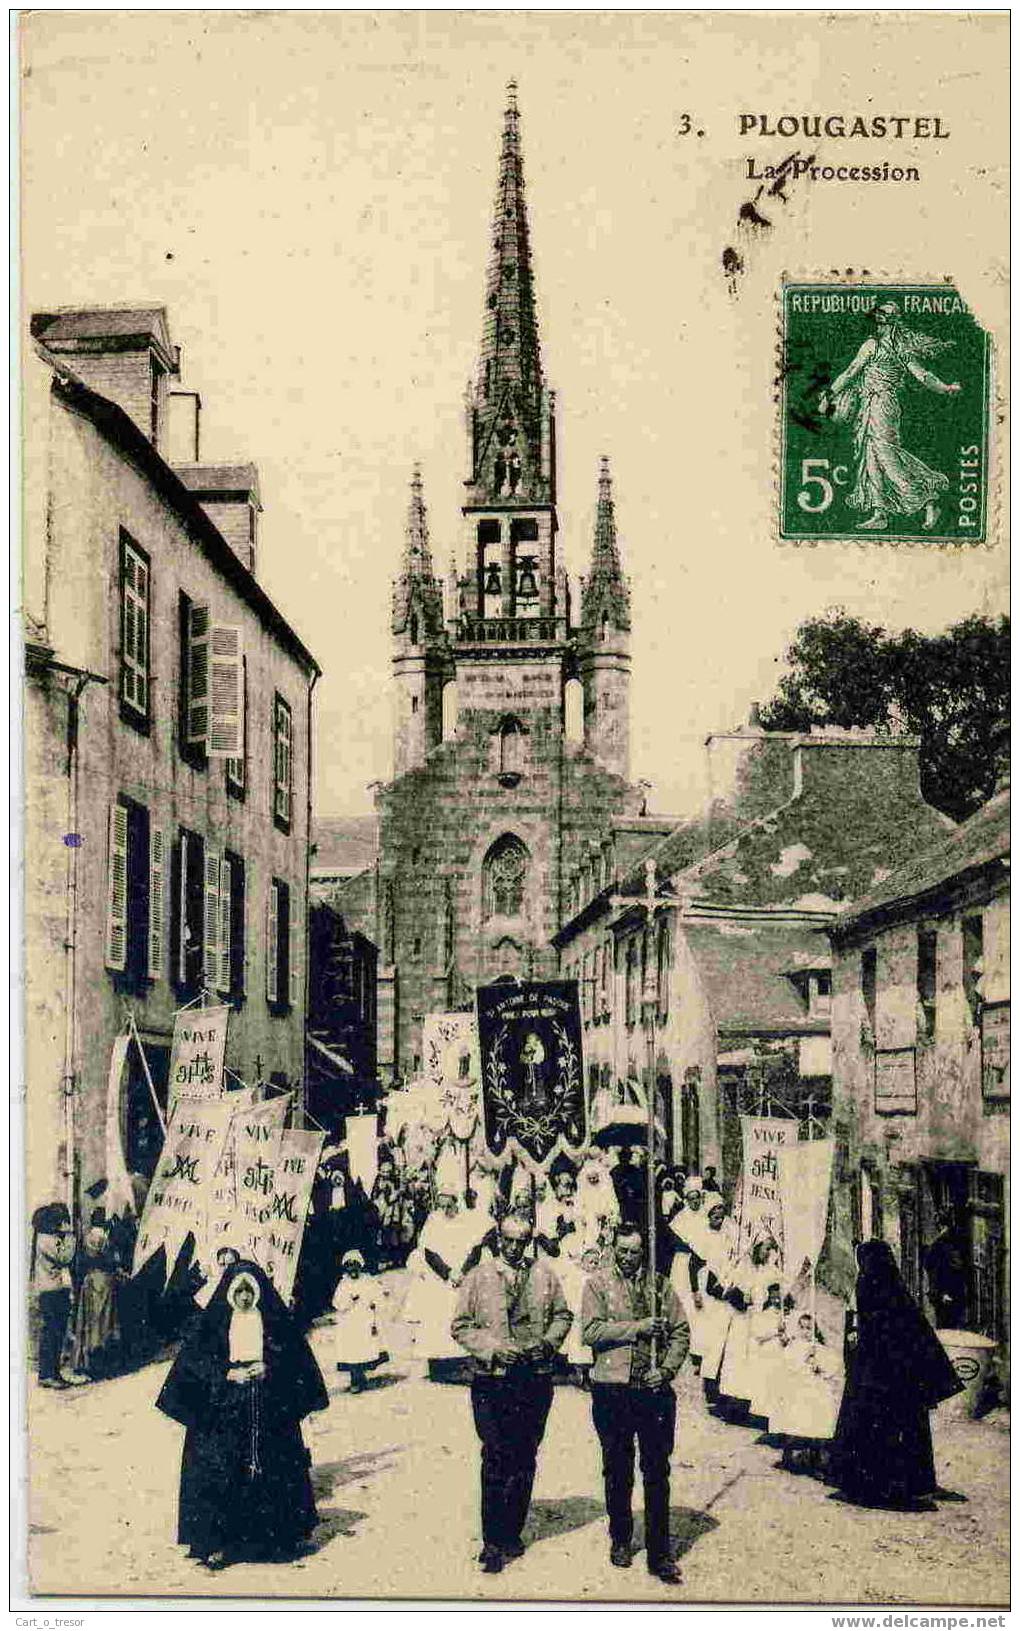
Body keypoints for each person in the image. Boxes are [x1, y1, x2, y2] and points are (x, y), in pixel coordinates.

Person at [155, 1259, 329, 1568]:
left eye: (251, 1291)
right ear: (229, 1293)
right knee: (218, 1466)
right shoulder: (214, 1325)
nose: (246, 1298)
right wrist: (226, 1375)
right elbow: (196, 1366)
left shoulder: (275, 1322)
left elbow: (295, 1362)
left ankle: (276, 1540)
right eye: (240, 1291)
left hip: (267, 1403)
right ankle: (218, 1541)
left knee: (274, 1464)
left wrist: (270, 1368)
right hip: (224, 1408)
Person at [451, 1214, 572, 1574]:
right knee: (494, 1455)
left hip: (533, 1379)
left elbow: (563, 1315)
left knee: (525, 1455)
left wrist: (548, 1343)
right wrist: (491, 1348)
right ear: (498, 1240)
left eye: (522, 1241)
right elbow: (460, 1325)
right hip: (492, 1379)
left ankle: (512, 1532)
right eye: (509, 1241)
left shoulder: (545, 1274)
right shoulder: (479, 1276)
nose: (515, 1247)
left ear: (530, 1241)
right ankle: (491, 1542)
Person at [581, 1223, 689, 1584]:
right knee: (617, 1468)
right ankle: (621, 1539)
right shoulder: (596, 1284)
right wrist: (637, 1327)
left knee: (656, 1471)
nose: (628, 1259)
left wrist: (669, 1369)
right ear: (613, 1249)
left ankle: (659, 1552)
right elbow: (591, 1331)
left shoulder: (659, 1285)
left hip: (653, 1389)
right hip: (612, 1389)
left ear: (644, 1252)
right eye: (622, 1251)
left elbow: (680, 1331)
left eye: (635, 1253)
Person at [829, 1240, 964, 1511]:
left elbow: (873, 1330)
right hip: (900, 1376)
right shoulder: (895, 1291)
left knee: (874, 1428)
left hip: (875, 1375)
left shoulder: (868, 1284)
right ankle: (910, 1484)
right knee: (905, 1428)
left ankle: (876, 1486)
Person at [818, 301, 961, 532]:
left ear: (890, 320)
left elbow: (921, 375)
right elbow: (851, 372)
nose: (878, 319)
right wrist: (830, 394)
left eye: (882, 315)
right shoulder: (877, 345)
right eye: (878, 314)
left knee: (886, 456)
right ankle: (880, 512)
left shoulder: (888, 347)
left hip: (883, 405)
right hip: (869, 405)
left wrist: (945, 388)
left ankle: (927, 499)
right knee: (871, 457)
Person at [404, 1186, 479, 1380]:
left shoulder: (467, 1222)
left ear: (456, 1203)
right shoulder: (433, 1222)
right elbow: (429, 1252)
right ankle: (438, 1366)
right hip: (440, 1279)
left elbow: (475, 1249)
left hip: (462, 1277)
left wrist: (462, 1273)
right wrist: (448, 1274)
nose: (445, 1210)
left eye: (449, 1206)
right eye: (441, 1206)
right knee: (437, 1322)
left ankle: (461, 1363)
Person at [770, 1311, 843, 1478]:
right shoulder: (794, 1346)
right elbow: (789, 1365)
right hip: (798, 1389)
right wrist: (803, 1359)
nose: (805, 1332)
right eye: (802, 1328)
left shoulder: (819, 1348)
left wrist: (818, 1365)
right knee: (795, 1418)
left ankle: (816, 1458)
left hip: (816, 1390)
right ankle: (789, 1455)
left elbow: (831, 1368)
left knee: (817, 1421)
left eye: (809, 1328)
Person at [691, 1194, 739, 1404]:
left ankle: (724, 1386)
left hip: (725, 1287)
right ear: (708, 1216)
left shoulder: (729, 1234)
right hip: (709, 1289)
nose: (719, 1221)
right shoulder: (702, 1236)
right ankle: (710, 1386)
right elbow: (693, 1265)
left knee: (727, 1339)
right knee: (712, 1341)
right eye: (715, 1217)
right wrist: (695, 1292)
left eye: (722, 1216)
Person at [69, 1219, 123, 1380]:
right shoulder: (104, 1238)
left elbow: (83, 1261)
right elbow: (111, 1259)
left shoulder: (89, 1236)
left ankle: (85, 1362)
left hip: (90, 1281)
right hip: (104, 1282)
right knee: (103, 1322)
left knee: (88, 1322)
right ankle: (100, 1364)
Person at [31, 1202, 75, 1389]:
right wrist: (70, 1236)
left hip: (55, 1290)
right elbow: (65, 1257)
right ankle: (47, 1375)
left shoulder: (46, 1238)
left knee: (56, 1333)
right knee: (52, 1333)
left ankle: (53, 1373)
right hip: (51, 1292)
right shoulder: (46, 1239)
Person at [332, 1250, 387, 1393]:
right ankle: (355, 1379)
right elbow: (337, 1303)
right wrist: (350, 1300)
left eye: (355, 1265)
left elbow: (378, 1296)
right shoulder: (343, 1284)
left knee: (363, 1350)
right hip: (348, 1324)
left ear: (360, 1266)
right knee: (351, 1352)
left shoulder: (368, 1280)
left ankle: (360, 1376)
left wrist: (375, 1304)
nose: (352, 1269)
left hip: (364, 1322)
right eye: (349, 1266)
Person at [923, 1210, 969, 1330]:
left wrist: (942, 1292)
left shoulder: (941, 1244)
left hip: (945, 1293)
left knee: (945, 1325)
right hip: (952, 1292)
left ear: (939, 1225)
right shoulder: (954, 1242)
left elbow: (935, 1267)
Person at [610, 1147, 645, 1231]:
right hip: (618, 1200)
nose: (625, 1159)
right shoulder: (614, 1171)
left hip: (632, 1202)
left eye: (627, 1156)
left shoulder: (634, 1170)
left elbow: (639, 1186)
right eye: (623, 1157)